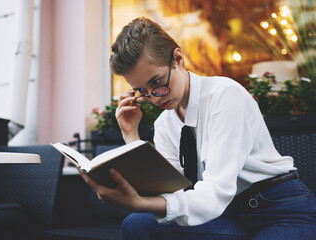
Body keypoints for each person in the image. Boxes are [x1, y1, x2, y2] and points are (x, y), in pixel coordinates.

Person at [78, 17, 316, 240]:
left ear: (178, 59)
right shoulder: (165, 123)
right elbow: (167, 189)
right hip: (228, 212)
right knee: (136, 224)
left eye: (157, 82)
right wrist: (131, 135)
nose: (155, 98)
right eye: (142, 91)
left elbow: (215, 191)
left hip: (279, 208)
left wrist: (141, 204)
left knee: (141, 216)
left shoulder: (224, 96)